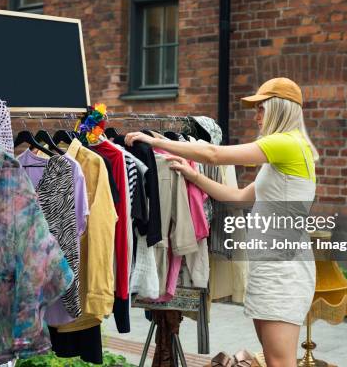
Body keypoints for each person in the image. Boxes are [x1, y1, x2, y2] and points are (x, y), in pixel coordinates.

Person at [125, 77, 319, 367]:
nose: (256, 116)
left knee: (280, 362)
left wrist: (156, 142)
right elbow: (240, 197)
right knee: (274, 360)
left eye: (261, 109)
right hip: (272, 266)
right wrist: (194, 177)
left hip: (283, 270)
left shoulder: (285, 144)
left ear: (279, 109)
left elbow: (214, 154)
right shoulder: (283, 153)